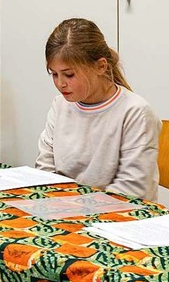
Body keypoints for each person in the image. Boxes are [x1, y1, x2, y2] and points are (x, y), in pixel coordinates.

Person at [35, 18, 161, 201]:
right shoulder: (60, 105)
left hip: (120, 218)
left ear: (101, 66)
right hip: (66, 210)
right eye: (54, 74)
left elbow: (133, 190)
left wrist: (73, 206)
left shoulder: (135, 112)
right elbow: (44, 168)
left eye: (69, 74)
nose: (60, 83)